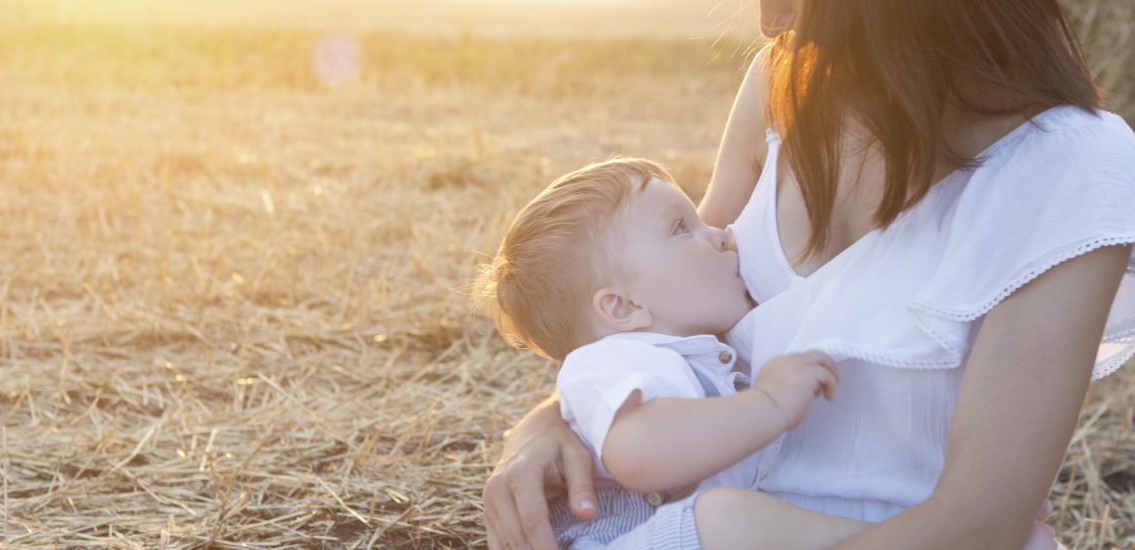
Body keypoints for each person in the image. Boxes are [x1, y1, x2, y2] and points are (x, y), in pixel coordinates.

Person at [482, 1, 1135, 548]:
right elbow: (652, 322)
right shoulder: (781, 83)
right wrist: (545, 426)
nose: (768, 22)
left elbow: (976, 528)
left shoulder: (1070, 167)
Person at [473, 157, 876, 548]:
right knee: (723, 517)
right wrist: (769, 403)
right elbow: (637, 451)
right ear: (623, 307)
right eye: (681, 227)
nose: (723, 235)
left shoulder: (687, 355)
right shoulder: (612, 359)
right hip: (619, 539)